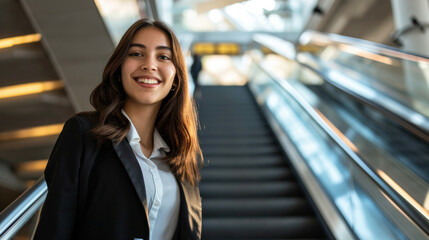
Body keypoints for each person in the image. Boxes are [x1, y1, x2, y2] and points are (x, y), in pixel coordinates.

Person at [33, 18, 203, 240]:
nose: (149, 65)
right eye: (136, 54)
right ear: (119, 67)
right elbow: (54, 229)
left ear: (175, 79)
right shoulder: (84, 134)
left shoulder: (181, 153)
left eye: (163, 56)